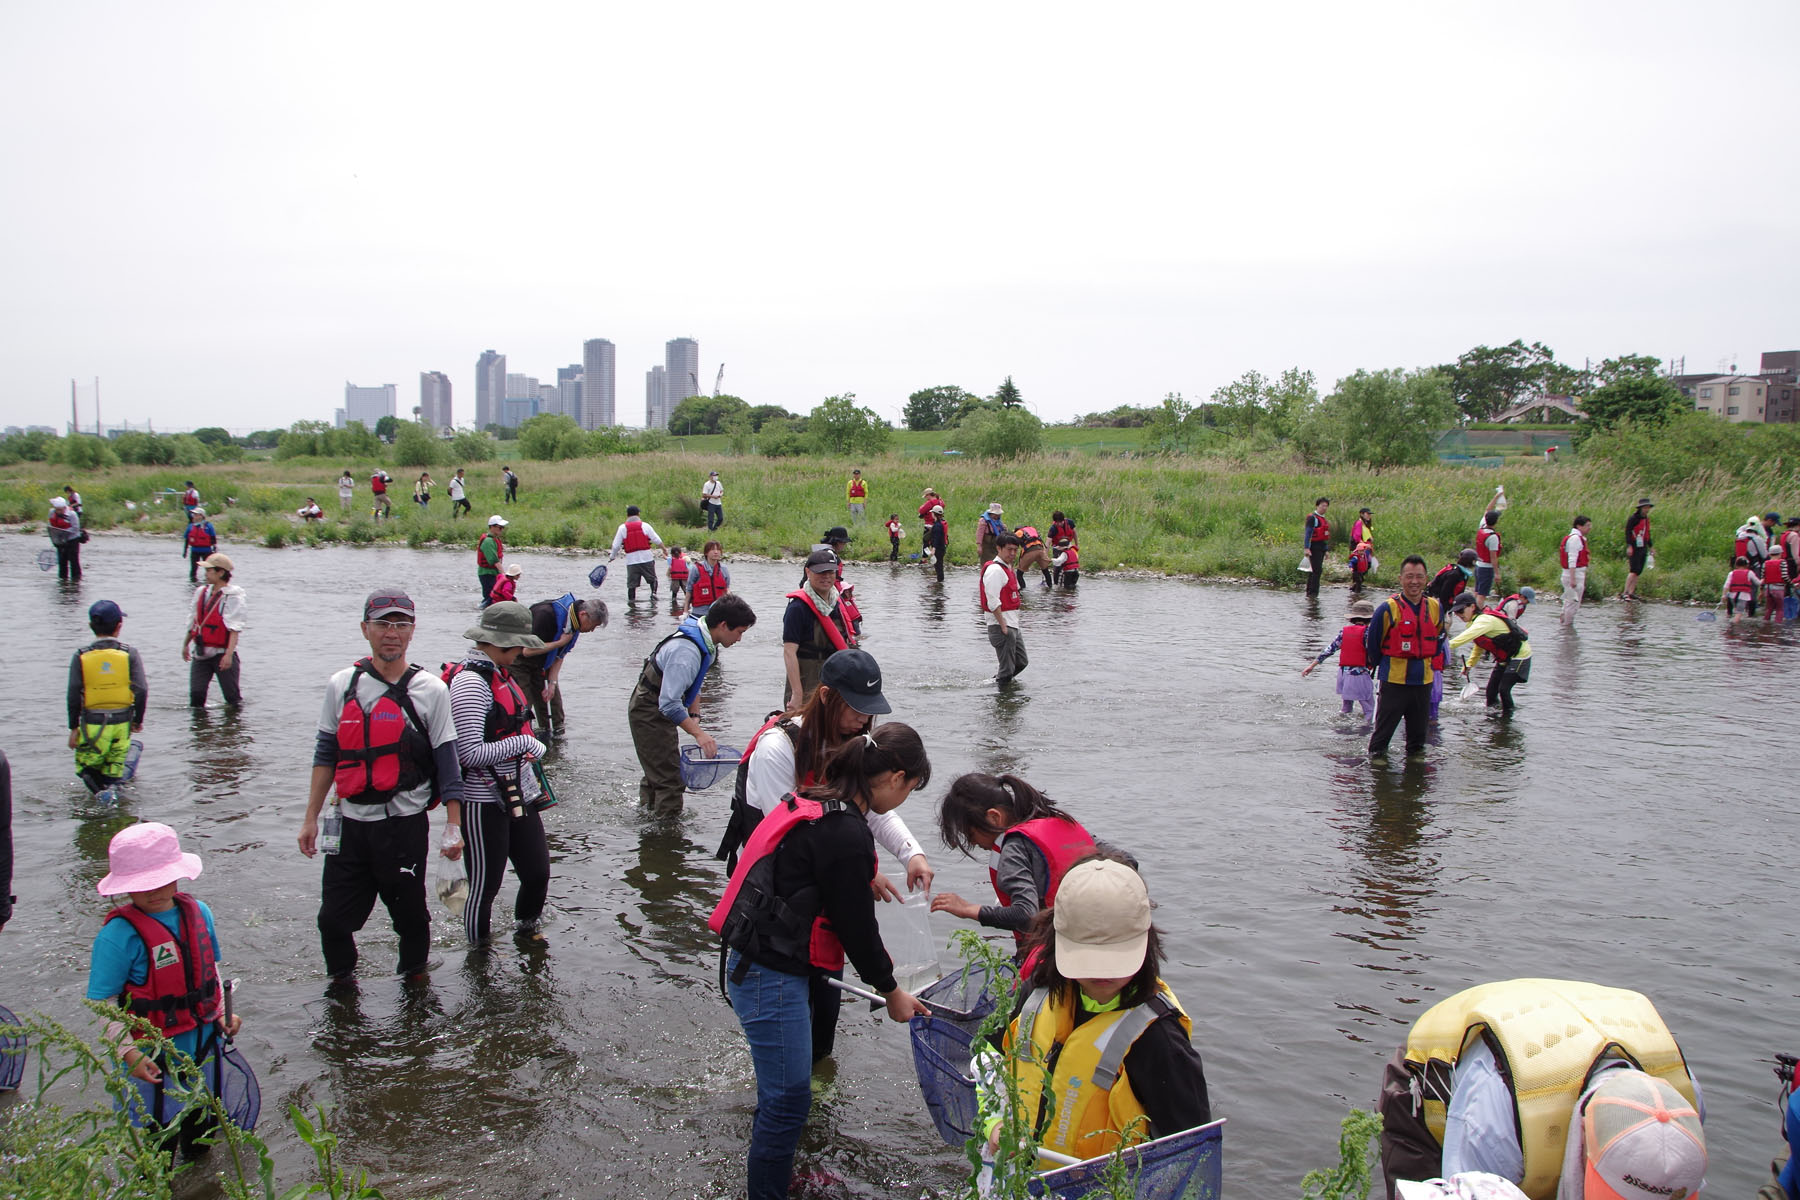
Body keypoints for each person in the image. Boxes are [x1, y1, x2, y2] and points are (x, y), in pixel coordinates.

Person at [711, 722, 931, 1200]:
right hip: (767, 974)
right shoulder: (845, 832)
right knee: (788, 1101)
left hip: (761, 961)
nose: (905, 798)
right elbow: (857, 930)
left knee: (783, 1093)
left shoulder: (820, 797)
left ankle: (782, 1171)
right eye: (912, 788)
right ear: (894, 778)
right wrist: (892, 993)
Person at [720, 650, 935, 1053]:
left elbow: (867, 804)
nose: (863, 720)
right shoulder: (778, 747)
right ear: (825, 696)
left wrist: (912, 854)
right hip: (780, 902)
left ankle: (814, 1084)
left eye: (870, 711)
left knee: (822, 1023)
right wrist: (860, 873)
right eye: (855, 708)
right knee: (791, 1020)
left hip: (825, 896)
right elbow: (788, 833)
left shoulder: (857, 745)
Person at [1376, 979, 1701, 1200]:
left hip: (1574, 1026)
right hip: (1435, 1079)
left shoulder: (1684, 1106)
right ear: (1585, 1143)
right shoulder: (1493, 1125)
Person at [986, 855, 1211, 1169]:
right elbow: (988, 1059)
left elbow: (1190, 1155)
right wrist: (994, 1124)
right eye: (1089, 956)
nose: (1102, 972)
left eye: (1114, 956)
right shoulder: (1036, 996)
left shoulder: (1160, 1040)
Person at [299, 589, 464, 983]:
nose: (392, 633)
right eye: (383, 624)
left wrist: (453, 826)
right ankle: (342, 989)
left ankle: (415, 986)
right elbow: (326, 754)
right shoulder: (341, 685)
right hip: (349, 823)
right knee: (333, 921)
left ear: (412, 632)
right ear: (365, 629)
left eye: (401, 625)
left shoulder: (432, 690)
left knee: (410, 918)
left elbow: (448, 761)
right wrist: (310, 818)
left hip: (402, 825)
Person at [87, 822, 245, 1156]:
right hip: (150, 1055)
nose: (154, 891)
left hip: (202, 1044)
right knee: (157, 1143)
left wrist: (222, 1015)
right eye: (142, 884)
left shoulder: (199, 913)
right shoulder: (117, 937)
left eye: (161, 880)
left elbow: (211, 973)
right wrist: (127, 1053)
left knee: (202, 1136)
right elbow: (103, 1002)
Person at [445, 602, 549, 945]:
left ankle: (526, 933)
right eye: (519, 644)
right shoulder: (471, 684)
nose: (523, 651)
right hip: (482, 800)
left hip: (518, 793)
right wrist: (521, 744)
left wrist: (526, 749)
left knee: (536, 873)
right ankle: (479, 959)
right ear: (501, 642)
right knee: (484, 888)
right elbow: (469, 753)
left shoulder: (501, 675)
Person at [929, 773, 1097, 955]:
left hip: (1053, 958)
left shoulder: (1013, 849)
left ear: (994, 817)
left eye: (970, 834)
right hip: (1095, 941)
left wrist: (968, 909)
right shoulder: (1063, 823)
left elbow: (1026, 915)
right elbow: (1127, 860)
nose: (973, 843)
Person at [628, 594, 756, 817]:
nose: (739, 639)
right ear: (723, 625)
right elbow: (668, 704)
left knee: (659, 771)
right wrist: (700, 735)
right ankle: (666, 836)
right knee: (670, 780)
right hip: (649, 709)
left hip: (658, 705)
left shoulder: (706, 638)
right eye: (739, 632)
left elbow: (694, 682)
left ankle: (647, 816)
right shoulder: (685, 652)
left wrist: (694, 713)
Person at [1365, 556, 1443, 763]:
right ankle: (1377, 775)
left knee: (1418, 740)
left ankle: (1415, 776)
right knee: (1382, 737)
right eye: (1409, 577)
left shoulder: (1435, 607)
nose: (1414, 582)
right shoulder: (1387, 609)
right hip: (1394, 681)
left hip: (1423, 681)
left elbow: (1439, 637)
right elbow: (1373, 645)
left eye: (1419, 577)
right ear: (1401, 579)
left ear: (1426, 579)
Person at [68, 600, 148, 799]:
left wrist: (73, 727)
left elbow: (73, 693)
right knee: (114, 768)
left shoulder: (80, 656)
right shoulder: (129, 653)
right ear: (119, 626)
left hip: (92, 725)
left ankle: (101, 796)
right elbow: (141, 689)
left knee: (86, 768)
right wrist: (137, 720)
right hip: (122, 724)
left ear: (90, 626)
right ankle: (112, 797)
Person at [512, 595, 607, 739]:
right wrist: (558, 643)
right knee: (524, 706)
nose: (592, 630)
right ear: (583, 615)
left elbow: (559, 655)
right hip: (519, 662)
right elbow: (527, 651)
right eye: (593, 625)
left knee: (554, 709)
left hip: (543, 663)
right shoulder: (545, 615)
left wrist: (552, 683)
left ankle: (554, 745)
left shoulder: (574, 624)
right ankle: (521, 741)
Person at [782, 548, 856, 706]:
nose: (827, 577)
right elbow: (789, 652)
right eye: (821, 572)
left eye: (830, 572)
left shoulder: (837, 603)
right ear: (808, 572)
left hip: (833, 677)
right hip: (806, 678)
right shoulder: (797, 608)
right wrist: (797, 693)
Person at [1447, 592, 1532, 714]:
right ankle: (1494, 718)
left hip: (1520, 657)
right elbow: (1479, 644)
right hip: (1505, 658)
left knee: (1504, 690)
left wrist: (1441, 646)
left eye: (1461, 610)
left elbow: (1463, 638)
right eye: (1456, 612)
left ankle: (1508, 721)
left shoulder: (1484, 621)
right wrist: (1469, 665)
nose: (1458, 614)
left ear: (1472, 607)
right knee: (1490, 692)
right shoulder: (1475, 622)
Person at [183, 553, 245, 709]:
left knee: (232, 699)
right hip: (201, 652)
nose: (206, 574)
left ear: (221, 573)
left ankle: (232, 729)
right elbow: (194, 621)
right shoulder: (201, 593)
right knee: (196, 697)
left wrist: (228, 655)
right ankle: (201, 731)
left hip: (221, 653)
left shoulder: (232, 597)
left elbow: (234, 629)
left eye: (209, 571)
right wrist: (185, 645)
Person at [1302, 598, 1376, 720]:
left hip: (1343, 675)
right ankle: (1366, 735)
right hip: (1359, 674)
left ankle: (1342, 732)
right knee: (1370, 709)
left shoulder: (1344, 632)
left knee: (1346, 708)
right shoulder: (1369, 633)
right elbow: (1374, 652)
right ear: (1370, 618)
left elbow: (1329, 649)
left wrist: (1311, 666)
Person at [983, 534, 1028, 685]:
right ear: (999, 548)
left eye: (1016, 550)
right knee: (1007, 669)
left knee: (1021, 662)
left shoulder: (1007, 568)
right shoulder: (995, 570)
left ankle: (998, 682)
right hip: (1001, 626)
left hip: (1012, 623)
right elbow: (992, 601)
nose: (1013, 554)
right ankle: (1003, 701)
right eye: (1009, 550)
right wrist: (1003, 626)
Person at [609, 504, 666, 605]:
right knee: (653, 580)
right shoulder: (645, 526)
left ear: (627, 515)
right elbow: (656, 539)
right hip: (647, 559)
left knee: (632, 585)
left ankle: (632, 603)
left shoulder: (622, 528)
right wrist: (664, 549)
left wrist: (612, 557)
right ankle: (653, 594)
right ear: (638, 514)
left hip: (632, 562)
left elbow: (615, 546)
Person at [1560, 517, 1591, 629]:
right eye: (1587, 525)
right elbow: (1572, 559)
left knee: (1568, 603)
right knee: (1572, 604)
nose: (1589, 528)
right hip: (1574, 575)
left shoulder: (1576, 538)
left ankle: (1564, 625)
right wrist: (1573, 579)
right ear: (1579, 526)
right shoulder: (1575, 539)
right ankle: (1567, 628)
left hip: (1570, 575)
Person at [689, 541, 732, 618]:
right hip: (700, 612)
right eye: (712, 549)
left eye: (718, 550)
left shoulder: (724, 569)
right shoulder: (696, 569)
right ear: (706, 552)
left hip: (719, 611)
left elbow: (727, 588)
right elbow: (689, 590)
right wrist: (685, 611)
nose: (716, 552)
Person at [1622, 499, 1653, 600]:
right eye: (1645, 507)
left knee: (1638, 570)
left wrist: (1651, 546)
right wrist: (1629, 546)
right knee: (1633, 569)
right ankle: (1625, 592)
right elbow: (1627, 532)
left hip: (1643, 546)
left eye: (1648, 507)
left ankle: (1631, 592)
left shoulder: (1646, 519)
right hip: (1634, 546)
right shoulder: (1633, 518)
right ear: (1640, 508)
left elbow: (1648, 533)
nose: (1646, 509)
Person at [48, 495, 83, 582]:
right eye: (57, 509)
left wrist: (64, 532)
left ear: (64, 507)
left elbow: (75, 528)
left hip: (72, 540)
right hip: (60, 541)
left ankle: (76, 581)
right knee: (62, 562)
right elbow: (51, 525)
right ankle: (63, 581)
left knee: (74, 562)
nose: (58, 511)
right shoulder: (52, 512)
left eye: (60, 509)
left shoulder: (72, 514)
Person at [1303, 497, 1332, 597]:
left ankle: (1312, 593)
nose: (1324, 508)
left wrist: (1326, 550)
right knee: (1316, 570)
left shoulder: (1323, 519)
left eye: (1326, 506)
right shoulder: (1312, 518)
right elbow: (1308, 533)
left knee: (1316, 570)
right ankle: (1312, 593)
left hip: (1321, 547)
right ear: (1317, 506)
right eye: (1322, 506)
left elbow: (1324, 537)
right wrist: (1306, 548)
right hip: (1314, 547)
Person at [1473, 511, 1502, 607]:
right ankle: (1478, 615)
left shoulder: (1481, 529)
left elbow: (1487, 509)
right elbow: (1493, 557)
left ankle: (1472, 611)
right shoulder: (1493, 537)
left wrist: (1497, 496)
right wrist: (1497, 573)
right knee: (1482, 595)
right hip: (1486, 569)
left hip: (1478, 566)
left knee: (1477, 591)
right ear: (1496, 522)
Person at [476, 515, 506, 606]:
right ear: (492, 527)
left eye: (503, 528)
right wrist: (504, 576)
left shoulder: (494, 539)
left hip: (493, 573)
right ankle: (481, 612)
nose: (502, 530)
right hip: (487, 573)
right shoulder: (488, 541)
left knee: (494, 597)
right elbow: (494, 560)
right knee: (490, 597)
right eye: (500, 527)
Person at [183, 507, 217, 583]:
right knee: (193, 569)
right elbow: (187, 540)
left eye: (196, 514)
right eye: (193, 514)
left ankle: (209, 583)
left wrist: (214, 550)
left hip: (207, 551)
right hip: (195, 551)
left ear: (201, 516)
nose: (193, 516)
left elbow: (213, 539)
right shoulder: (191, 526)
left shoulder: (208, 526)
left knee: (209, 568)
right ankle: (192, 583)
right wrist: (185, 551)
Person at [1015, 523, 1054, 587]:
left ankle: (1023, 590)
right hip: (1041, 551)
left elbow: (1012, 541)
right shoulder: (1032, 529)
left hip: (1030, 552)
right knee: (1045, 571)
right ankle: (1050, 587)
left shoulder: (1019, 532)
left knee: (1019, 574)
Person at [1723, 557, 1759, 622]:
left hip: (1732, 597)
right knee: (1739, 613)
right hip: (1743, 596)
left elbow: (1726, 585)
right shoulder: (1749, 572)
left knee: (1736, 611)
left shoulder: (1731, 573)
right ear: (1747, 565)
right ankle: (1734, 627)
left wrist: (1723, 595)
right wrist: (1763, 580)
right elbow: (1757, 582)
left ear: (1736, 565)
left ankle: (1729, 616)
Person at [923, 504, 948, 583]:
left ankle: (940, 583)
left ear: (934, 514)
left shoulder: (937, 525)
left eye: (932, 513)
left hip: (938, 549)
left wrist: (933, 549)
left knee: (938, 566)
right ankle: (940, 583)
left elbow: (936, 538)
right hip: (942, 547)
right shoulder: (941, 523)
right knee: (939, 565)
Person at [1762, 551, 1788, 623]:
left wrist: (1761, 590)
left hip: (1768, 588)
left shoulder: (1765, 563)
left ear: (1770, 554)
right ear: (1780, 554)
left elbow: (1763, 577)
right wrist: (1790, 583)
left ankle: (1766, 624)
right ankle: (1778, 626)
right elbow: (1785, 576)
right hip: (1778, 589)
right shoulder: (1783, 562)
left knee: (1769, 609)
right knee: (1779, 609)